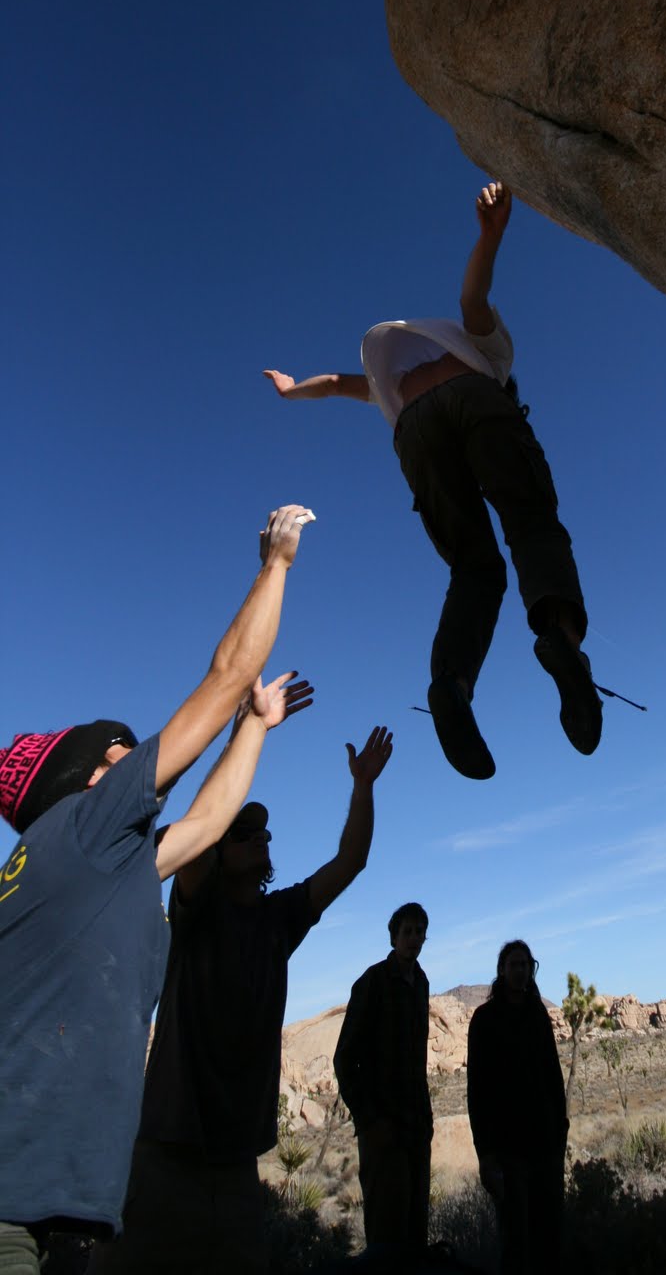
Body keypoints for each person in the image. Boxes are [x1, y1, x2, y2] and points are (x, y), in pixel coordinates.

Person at [0, 503, 314, 1275]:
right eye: (118, 757)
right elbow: (227, 676)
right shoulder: (80, 827)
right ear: (80, 783)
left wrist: (256, 729)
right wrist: (275, 563)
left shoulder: (78, 868)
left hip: (56, 1204)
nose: (137, 768)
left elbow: (208, 822)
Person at [264, 179, 601, 780]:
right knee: (530, 521)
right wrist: (489, 238)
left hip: (414, 430)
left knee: (474, 568)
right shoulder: (495, 363)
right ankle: (560, 640)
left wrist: (294, 391)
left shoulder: (393, 386)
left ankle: (453, 684)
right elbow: (475, 300)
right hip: (474, 402)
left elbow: (343, 384)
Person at [88, 723, 393, 1275]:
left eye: (265, 835)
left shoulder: (278, 920)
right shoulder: (196, 911)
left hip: (235, 1168)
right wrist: (241, 736)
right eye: (243, 833)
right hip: (165, 1155)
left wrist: (364, 786)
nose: (261, 838)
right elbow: (200, 832)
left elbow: (350, 861)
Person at [334, 902, 432, 1264]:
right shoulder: (372, 982)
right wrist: (370, 1120)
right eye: (408, 931)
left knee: (415, 1231)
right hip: (383, 1129)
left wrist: (427, 1120)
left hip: (416, 1127)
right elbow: (345, 1058)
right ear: (394, 936)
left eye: (420, 932)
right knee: (386, 1235)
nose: (414, 939)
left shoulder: (421, 983)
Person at [466, 940, 568, 1275]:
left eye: (526, 964)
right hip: (507, 1148)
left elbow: (553, 1073)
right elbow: (477, 1090)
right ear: (502, 970)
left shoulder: (537, 1014)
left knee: (548, 1233)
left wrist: (561, 1127)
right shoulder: (484, 1020)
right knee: (516, 1240)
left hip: (545, 1142)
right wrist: (485, 1152)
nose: (521, 970)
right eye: (514, 964)